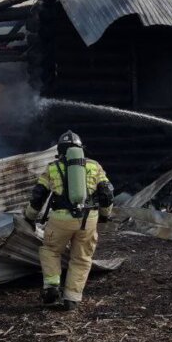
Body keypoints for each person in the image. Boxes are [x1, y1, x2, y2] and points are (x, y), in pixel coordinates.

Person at [23, 131, 114, 311]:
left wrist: (29, 217)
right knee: (81, 258)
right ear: (81, 149)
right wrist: (104, 215)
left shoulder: (52, 168)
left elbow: (38, 197)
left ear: (60, 150)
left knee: (50, 250)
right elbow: (107, 194)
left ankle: (51, 286)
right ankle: (72, 298)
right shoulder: (95, 166)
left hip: (60, 219)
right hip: (88, 219)